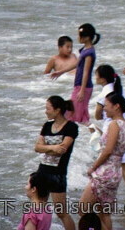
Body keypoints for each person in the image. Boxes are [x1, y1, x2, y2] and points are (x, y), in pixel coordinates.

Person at [78, 92, 125, 230]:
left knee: (83, 208)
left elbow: (107, 151)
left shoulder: (114, 124)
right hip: (115, 172)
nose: (104, 109)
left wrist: (93, 167)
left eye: (106, 105)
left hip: (105, 172)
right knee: (104, 213)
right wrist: (97, 131)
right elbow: (114, 146)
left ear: (117, 106)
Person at [34, 96, 78, 230]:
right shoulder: (47, 126)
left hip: (57, 174)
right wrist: (53, 147)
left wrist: (46, 148)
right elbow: (37, 147)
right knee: (39, 210)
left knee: (61, 212)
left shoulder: (71, 127)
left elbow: (62, 150)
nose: (46, 111)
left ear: (58, 110)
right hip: (42, 172)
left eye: (48, 108)